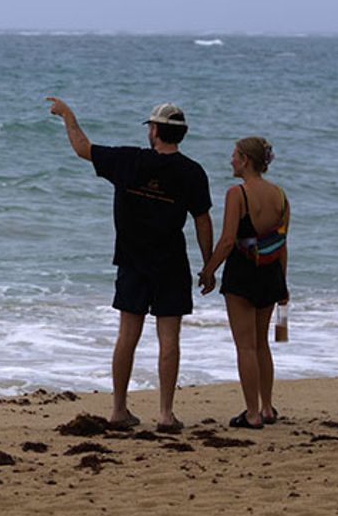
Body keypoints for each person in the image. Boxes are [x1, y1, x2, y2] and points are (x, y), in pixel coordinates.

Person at [47, 96, 214, 432]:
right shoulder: (192, 172)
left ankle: (119, 409)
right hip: (171, 263)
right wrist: (209, 265)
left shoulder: (128, 160)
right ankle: (165, 414)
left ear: (155, 131)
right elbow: (202, 221)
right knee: (170, 339)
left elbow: (83, 148)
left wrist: (67, 114)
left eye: (150, 127)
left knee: (128, 335)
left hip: (133, 261)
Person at [199, 137, 289, 429]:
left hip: (242, 274)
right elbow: (282, 243)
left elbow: (227, 241)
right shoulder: (280, 195)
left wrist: (208, 271)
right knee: (262, 344)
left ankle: (251, 413)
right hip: (271, 272)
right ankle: (267, 408)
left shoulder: (237, 194)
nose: (231, 160)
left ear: (246, 160)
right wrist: (283, 285)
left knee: (246, 347)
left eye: (234, 155)